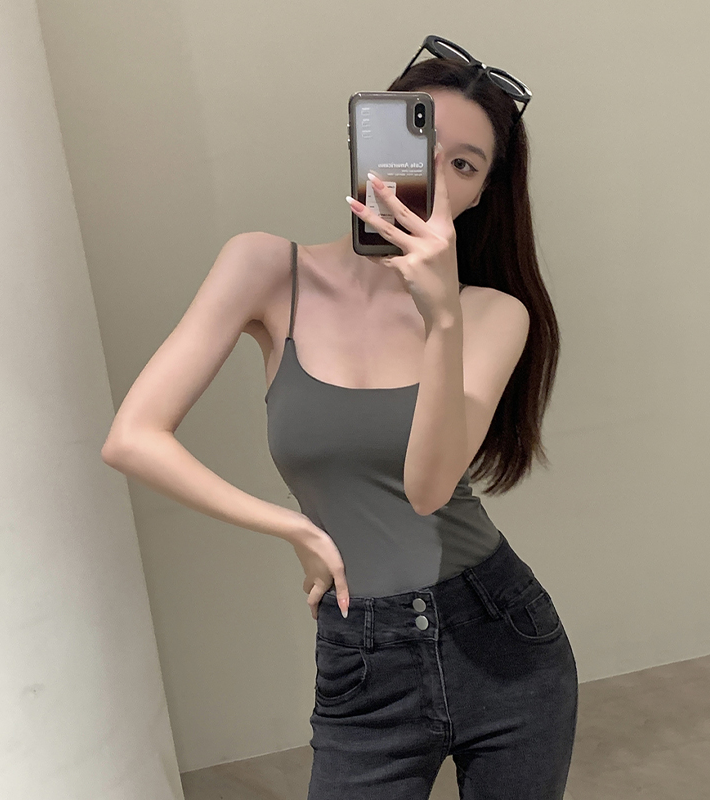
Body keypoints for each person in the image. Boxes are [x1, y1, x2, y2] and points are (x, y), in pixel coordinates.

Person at [102, 34, 577, 800]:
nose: (432, 178)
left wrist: (440, 318)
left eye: (464, 165)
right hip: (364, 655)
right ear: (365, 143)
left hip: (502, 635)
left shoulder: (493, 314)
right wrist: (295, 528)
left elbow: (428, 488)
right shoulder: (265, 268)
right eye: (417, 145)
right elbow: (132, 437)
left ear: (483, 193)